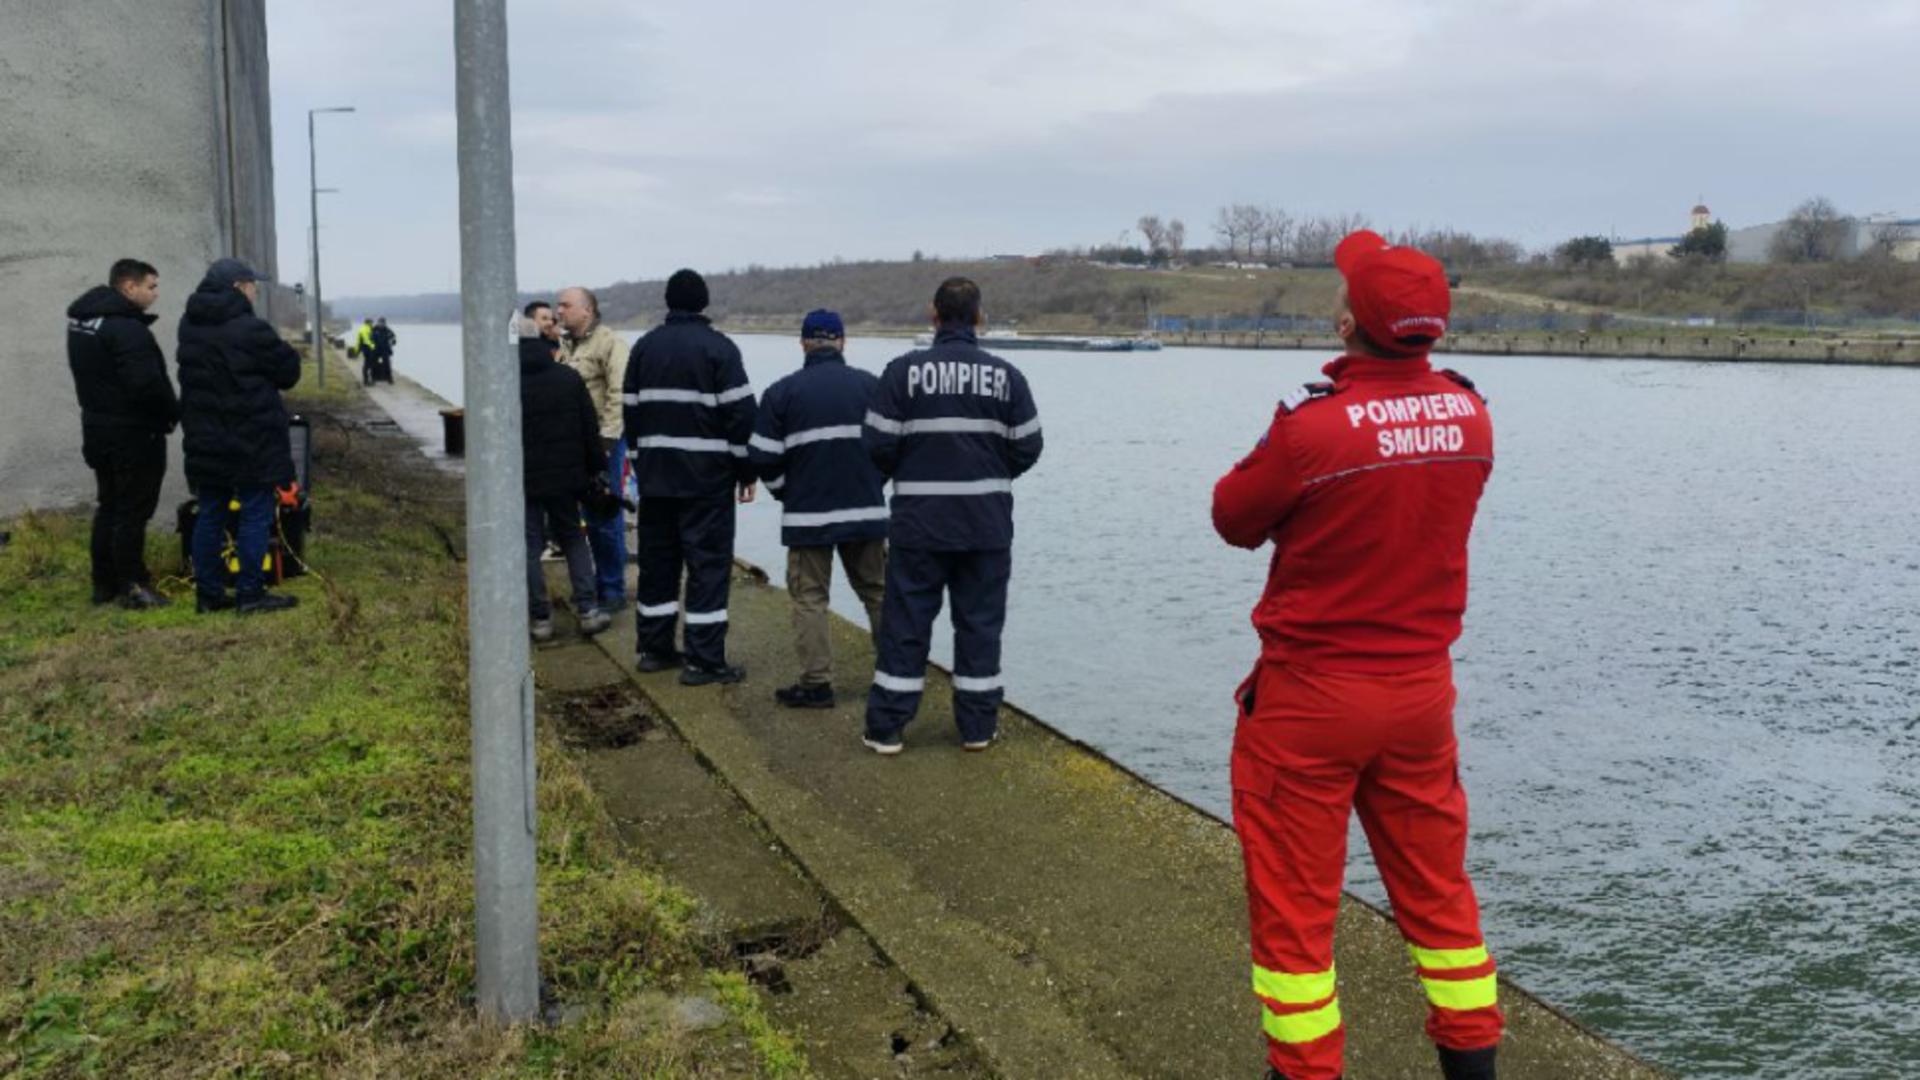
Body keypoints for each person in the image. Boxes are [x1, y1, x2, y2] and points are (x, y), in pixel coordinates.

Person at [1211, 230, 1501, 1080]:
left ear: (1349, 325)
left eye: (1343, 294)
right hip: (1420, 699)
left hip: (1310, 701)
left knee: (1296, 916)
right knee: (1441, 899)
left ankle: (1305, 1069)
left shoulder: (1313, 430)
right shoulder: (1471, 416)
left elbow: (1233, 517)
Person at [861, 277, 1042, 754]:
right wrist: (988, 476)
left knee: (906, 624)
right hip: (985, 526)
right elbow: (1029, 446)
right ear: (980, 317)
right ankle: (977, 728)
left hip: (919, 525)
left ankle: (888, 728)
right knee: (980, 626)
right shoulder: (1008, 377)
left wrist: (914, 470)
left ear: (933, 314)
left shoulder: (902, 373)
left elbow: (877, 445)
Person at [621, 269, 756, 685]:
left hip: (657, 479)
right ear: (703, 304)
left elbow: (630, 412)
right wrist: (746, 470)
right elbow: (741, 416)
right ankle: (703, 660)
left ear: (668, 301)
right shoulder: (720, 349)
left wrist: (643, 463)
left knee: (658, 564)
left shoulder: (644, 348)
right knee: (708, 567)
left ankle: (654, 649)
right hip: (706, 482)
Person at [749, 309, 888, 708]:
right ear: (843, 342)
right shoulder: (872, 388)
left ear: (804, 343)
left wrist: (785, 493)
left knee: (810, 599)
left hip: (807, 516)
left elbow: (762, 457)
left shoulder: (782, 393)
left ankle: (817, 684)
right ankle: (896, 670)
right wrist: (873, 485)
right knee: (878, 593)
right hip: (865, 512)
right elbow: (894, 448)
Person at [177, 258, 302, 615]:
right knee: (255, 513)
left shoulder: (189, 326)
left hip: (206, 438)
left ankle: (209, 594)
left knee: (211, 513)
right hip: (251, 439)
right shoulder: (251, 329)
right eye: (251, 284)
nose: (255, 290)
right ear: (236, 287)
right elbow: (288, 371)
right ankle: (250, 593)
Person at [66, 257, 177, 609]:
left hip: (98, 428)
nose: (155, 294)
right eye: (151, 286)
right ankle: (133, 586)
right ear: (128, 286)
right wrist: (171, 414)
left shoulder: (84, 322)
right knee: (132, 510)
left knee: (110, 506)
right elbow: (146, 385)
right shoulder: (127, 329)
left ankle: (104, 585)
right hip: (132, 434)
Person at [518, 318, 611, 642]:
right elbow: (589, 429)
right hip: (566, 479)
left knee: (529, 546)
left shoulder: (505, 381)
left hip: (523, 479)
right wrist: (597, 469)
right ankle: (588, 611)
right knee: (573, 538)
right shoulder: (568, 378)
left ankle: (540, 619)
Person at [556, 286, 631, 614]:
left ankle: (612, 589)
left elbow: (620, 392)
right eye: (559, 305)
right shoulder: (562, 345)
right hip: (570, 444)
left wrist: (608, 440)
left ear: (587, 311)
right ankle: (593, 585)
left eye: (566, 305)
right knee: (579, 519)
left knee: (604, 514)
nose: (560, 311)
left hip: (602, 444)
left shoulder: (610, 343)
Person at [370, 317, 397, 383]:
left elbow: (393, 338)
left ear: (385, 323)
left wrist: (393, 341)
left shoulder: (388, 330)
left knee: (387, 364)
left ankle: (389, 378)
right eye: (380, 322)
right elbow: (370, 339)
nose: (381, 324)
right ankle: (373, 378)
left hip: (385, 349)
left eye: (383, 323)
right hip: (376, 350)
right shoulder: (374, 330)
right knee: (374, 364)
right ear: (378, 323)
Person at [355, 317, 377, 386]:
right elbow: (366, 340)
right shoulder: (365, 329)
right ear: (368, 323)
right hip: (367, 349)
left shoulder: (365, 328)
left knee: (368, 364)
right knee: (369, 365)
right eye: (371, 323)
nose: (372, 324)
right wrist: (373, 346)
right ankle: (367, 381)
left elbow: (358, 341)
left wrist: (357, 350)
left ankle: (368, 380)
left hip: (366, 349)